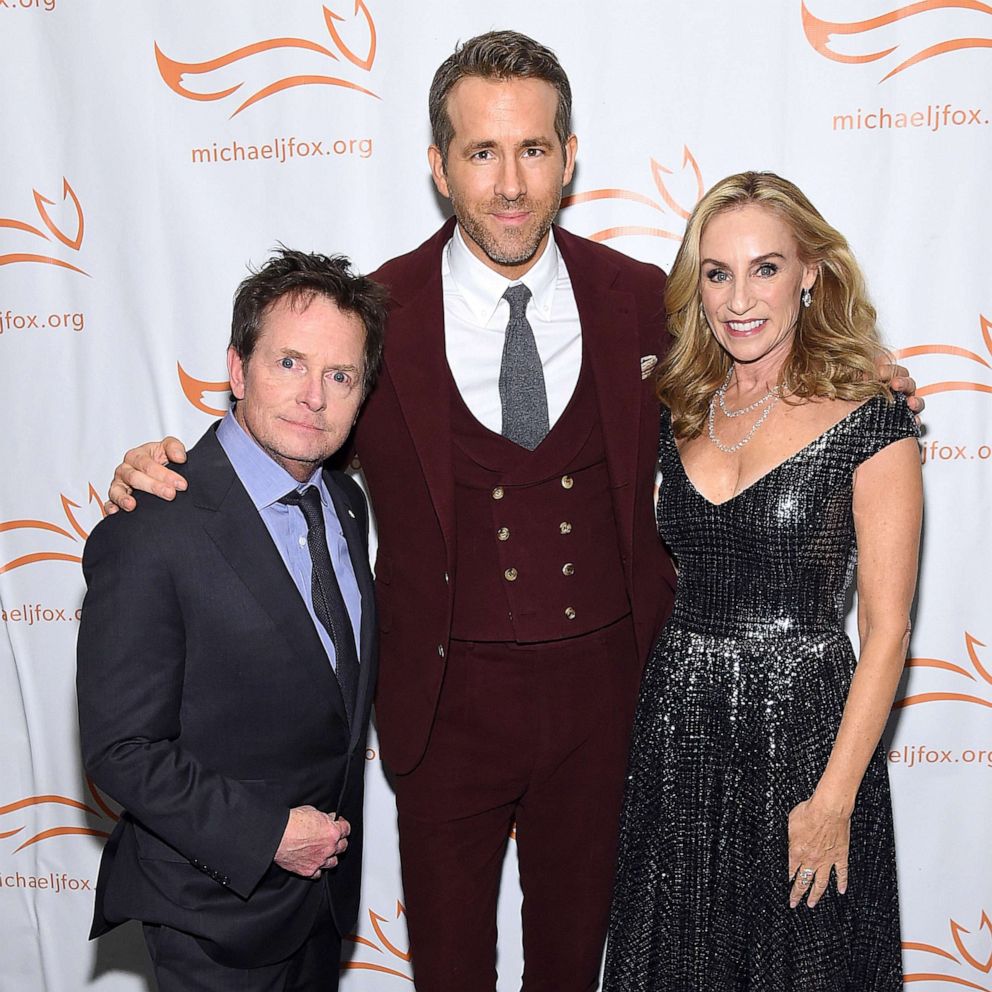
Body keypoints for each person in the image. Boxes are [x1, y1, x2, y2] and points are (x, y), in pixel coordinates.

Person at [102, 34, 921, 992]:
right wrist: (168, 463)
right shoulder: (379, 313)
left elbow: (762, 367)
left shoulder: (645, 304)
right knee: (447, 973)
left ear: (570, 159)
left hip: (610, 712)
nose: (509, 184)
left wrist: (865, 383)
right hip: (444, 716)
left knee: (578, 972)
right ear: (438, 166)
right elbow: (294, 416)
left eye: (533, 150)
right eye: (481, 152)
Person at [602, 172, 923, 991]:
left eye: (766, 268)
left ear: (811, 271)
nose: (740, 298)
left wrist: (835, 799)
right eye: (717, 273)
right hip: (679, 738)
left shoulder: (869, 418)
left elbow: (887, 631)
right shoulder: (676, 403)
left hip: (807, 742)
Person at [76, 249, 387, 992]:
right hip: (213, 912)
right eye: (289, 362)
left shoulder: (345, 502)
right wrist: (269, 835)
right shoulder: (151, 523)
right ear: (237, 369)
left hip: (319, 904)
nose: (313, 396)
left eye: (340, 376)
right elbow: (122, 749)